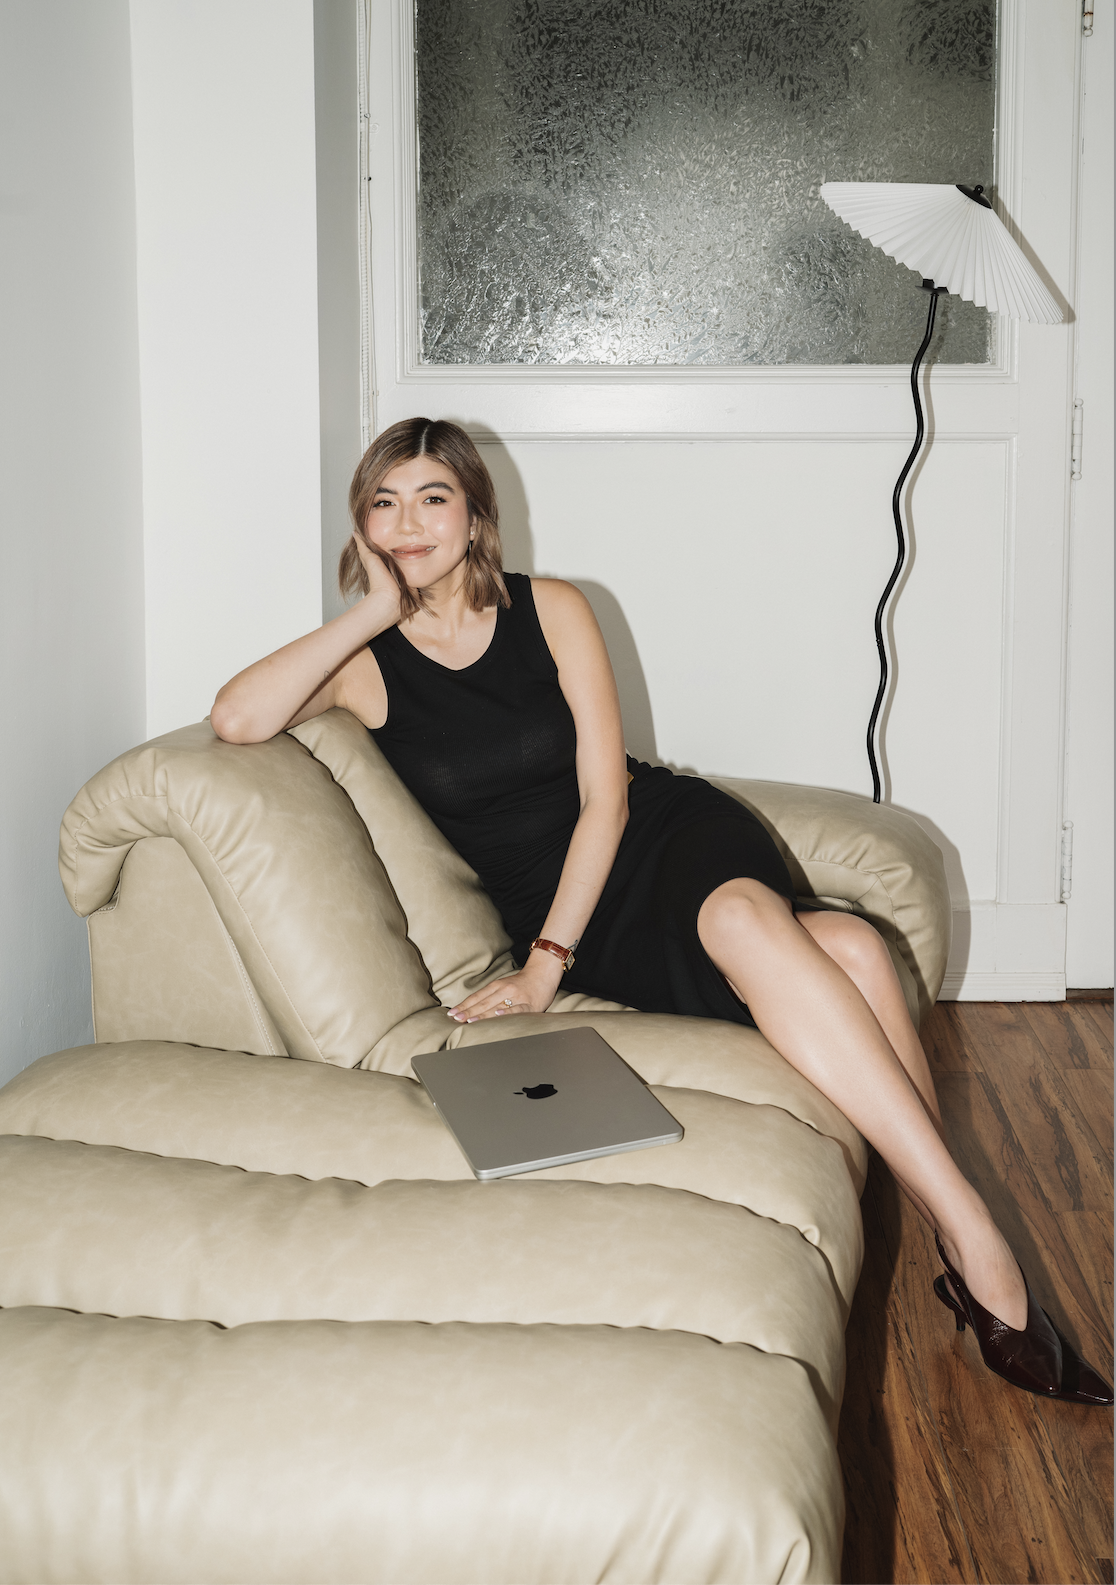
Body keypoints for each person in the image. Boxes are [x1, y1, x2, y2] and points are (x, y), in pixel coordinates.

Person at [212, 416, 1111, 1408]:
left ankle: (966, 1232)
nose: (409, 521)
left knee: (751, 923)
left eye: (433, 497)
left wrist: (548, 962)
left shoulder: (551, 608)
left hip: (660, 839)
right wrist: (369, 608)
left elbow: (608, 798)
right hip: (575, 911)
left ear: (476, 516)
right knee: (850, 942)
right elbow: (236, 718)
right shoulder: (366, 667)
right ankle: (965, 1238)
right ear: (363, 524)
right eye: (385, 501)